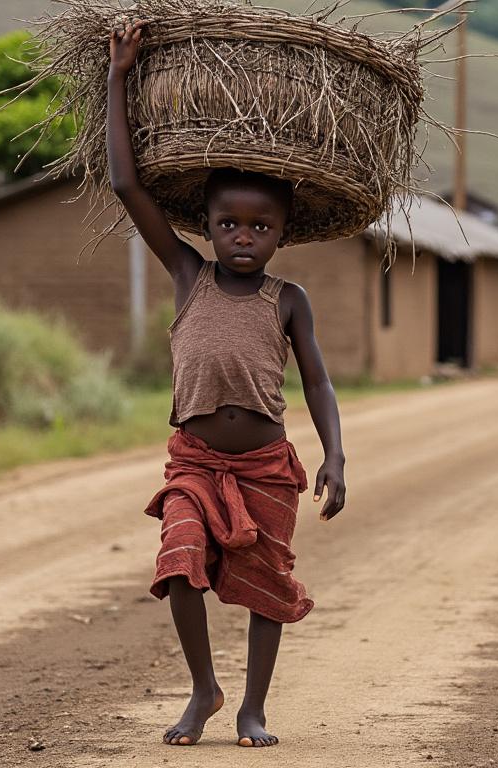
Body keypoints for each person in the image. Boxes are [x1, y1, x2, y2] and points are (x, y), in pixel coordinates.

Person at [106, 20, 347, 748]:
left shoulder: (290, 300)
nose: (244, 236)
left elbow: (319, 384)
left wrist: (336, 455)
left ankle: (253, 708)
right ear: (206, 227)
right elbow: (125, 182)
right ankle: (204, 689)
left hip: (266, 467)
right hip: (195, 461)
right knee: (180, 563)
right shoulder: (187, 277)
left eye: (260, 226)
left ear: (282, 232)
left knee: (265, 584)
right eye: (229, 224)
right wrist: (119, 75)